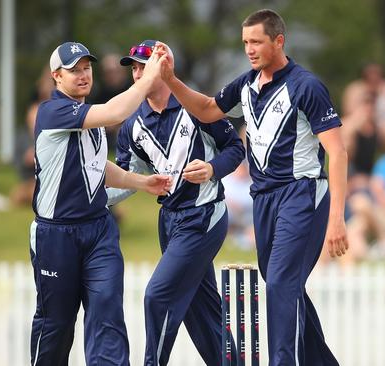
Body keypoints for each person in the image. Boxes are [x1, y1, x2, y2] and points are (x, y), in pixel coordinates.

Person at [156, 9, 349, 365]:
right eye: (245, 42)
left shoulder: (306, 86)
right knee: (284, 287)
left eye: (257, 41)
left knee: (279, 286)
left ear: (279, 41)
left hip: (301, 193)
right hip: (264, 199)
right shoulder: (246, 84)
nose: (249, 49)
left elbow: (337, 152)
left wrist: (337, 217)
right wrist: (170, 79)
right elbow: (208, 109)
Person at [28, 41, 171, 366]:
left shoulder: (87, 118)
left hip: (98, 230)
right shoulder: (53, 111)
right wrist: (149, 79)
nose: (82, 75)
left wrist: (140, 181)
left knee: (107, 312)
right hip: (56, 236)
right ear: (56, 77)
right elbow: (117, 111)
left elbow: (96, 167)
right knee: (57, 326)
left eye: (86, 68)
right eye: (73, 70)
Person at [107, 39, 245, 365]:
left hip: (204, 215)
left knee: (158, 296)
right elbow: (127, 177)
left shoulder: (194, 105)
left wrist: (212, 169)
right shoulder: (131, 125)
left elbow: (235, 149)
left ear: (165, 67)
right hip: (169, 221)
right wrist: (90, 201)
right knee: (203, 313)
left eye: (144, 66)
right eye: (134, 68)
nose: (138, 74)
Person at [342, 62, 385, 147]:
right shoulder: (354, 90)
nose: (373, 78)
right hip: (360, 124)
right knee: (345, 130)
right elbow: (348, 113)